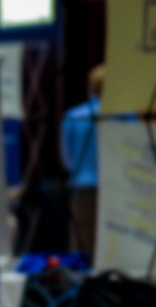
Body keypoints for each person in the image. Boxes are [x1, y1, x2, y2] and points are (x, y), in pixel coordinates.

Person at [60, 64, 103, 257]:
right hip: (117, 191)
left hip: (82, 188)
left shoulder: (73, 117)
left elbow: (67, 160)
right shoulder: (125, 118)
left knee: (83, 249)